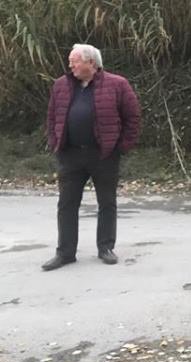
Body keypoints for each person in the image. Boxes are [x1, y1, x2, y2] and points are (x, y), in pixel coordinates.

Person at [43, 43, 141, 271]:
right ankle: (65, 253)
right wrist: (54, 142)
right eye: (70, 61)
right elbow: (51, 117)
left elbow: (132, 117)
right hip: (70, 155)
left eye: (75, 60)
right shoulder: (60, 85)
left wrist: (122, 147)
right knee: (66, 204)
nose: (70, 65)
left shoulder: (117, 84)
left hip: (104, 154)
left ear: (91, 63)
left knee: (107, 203)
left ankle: (105, 247)